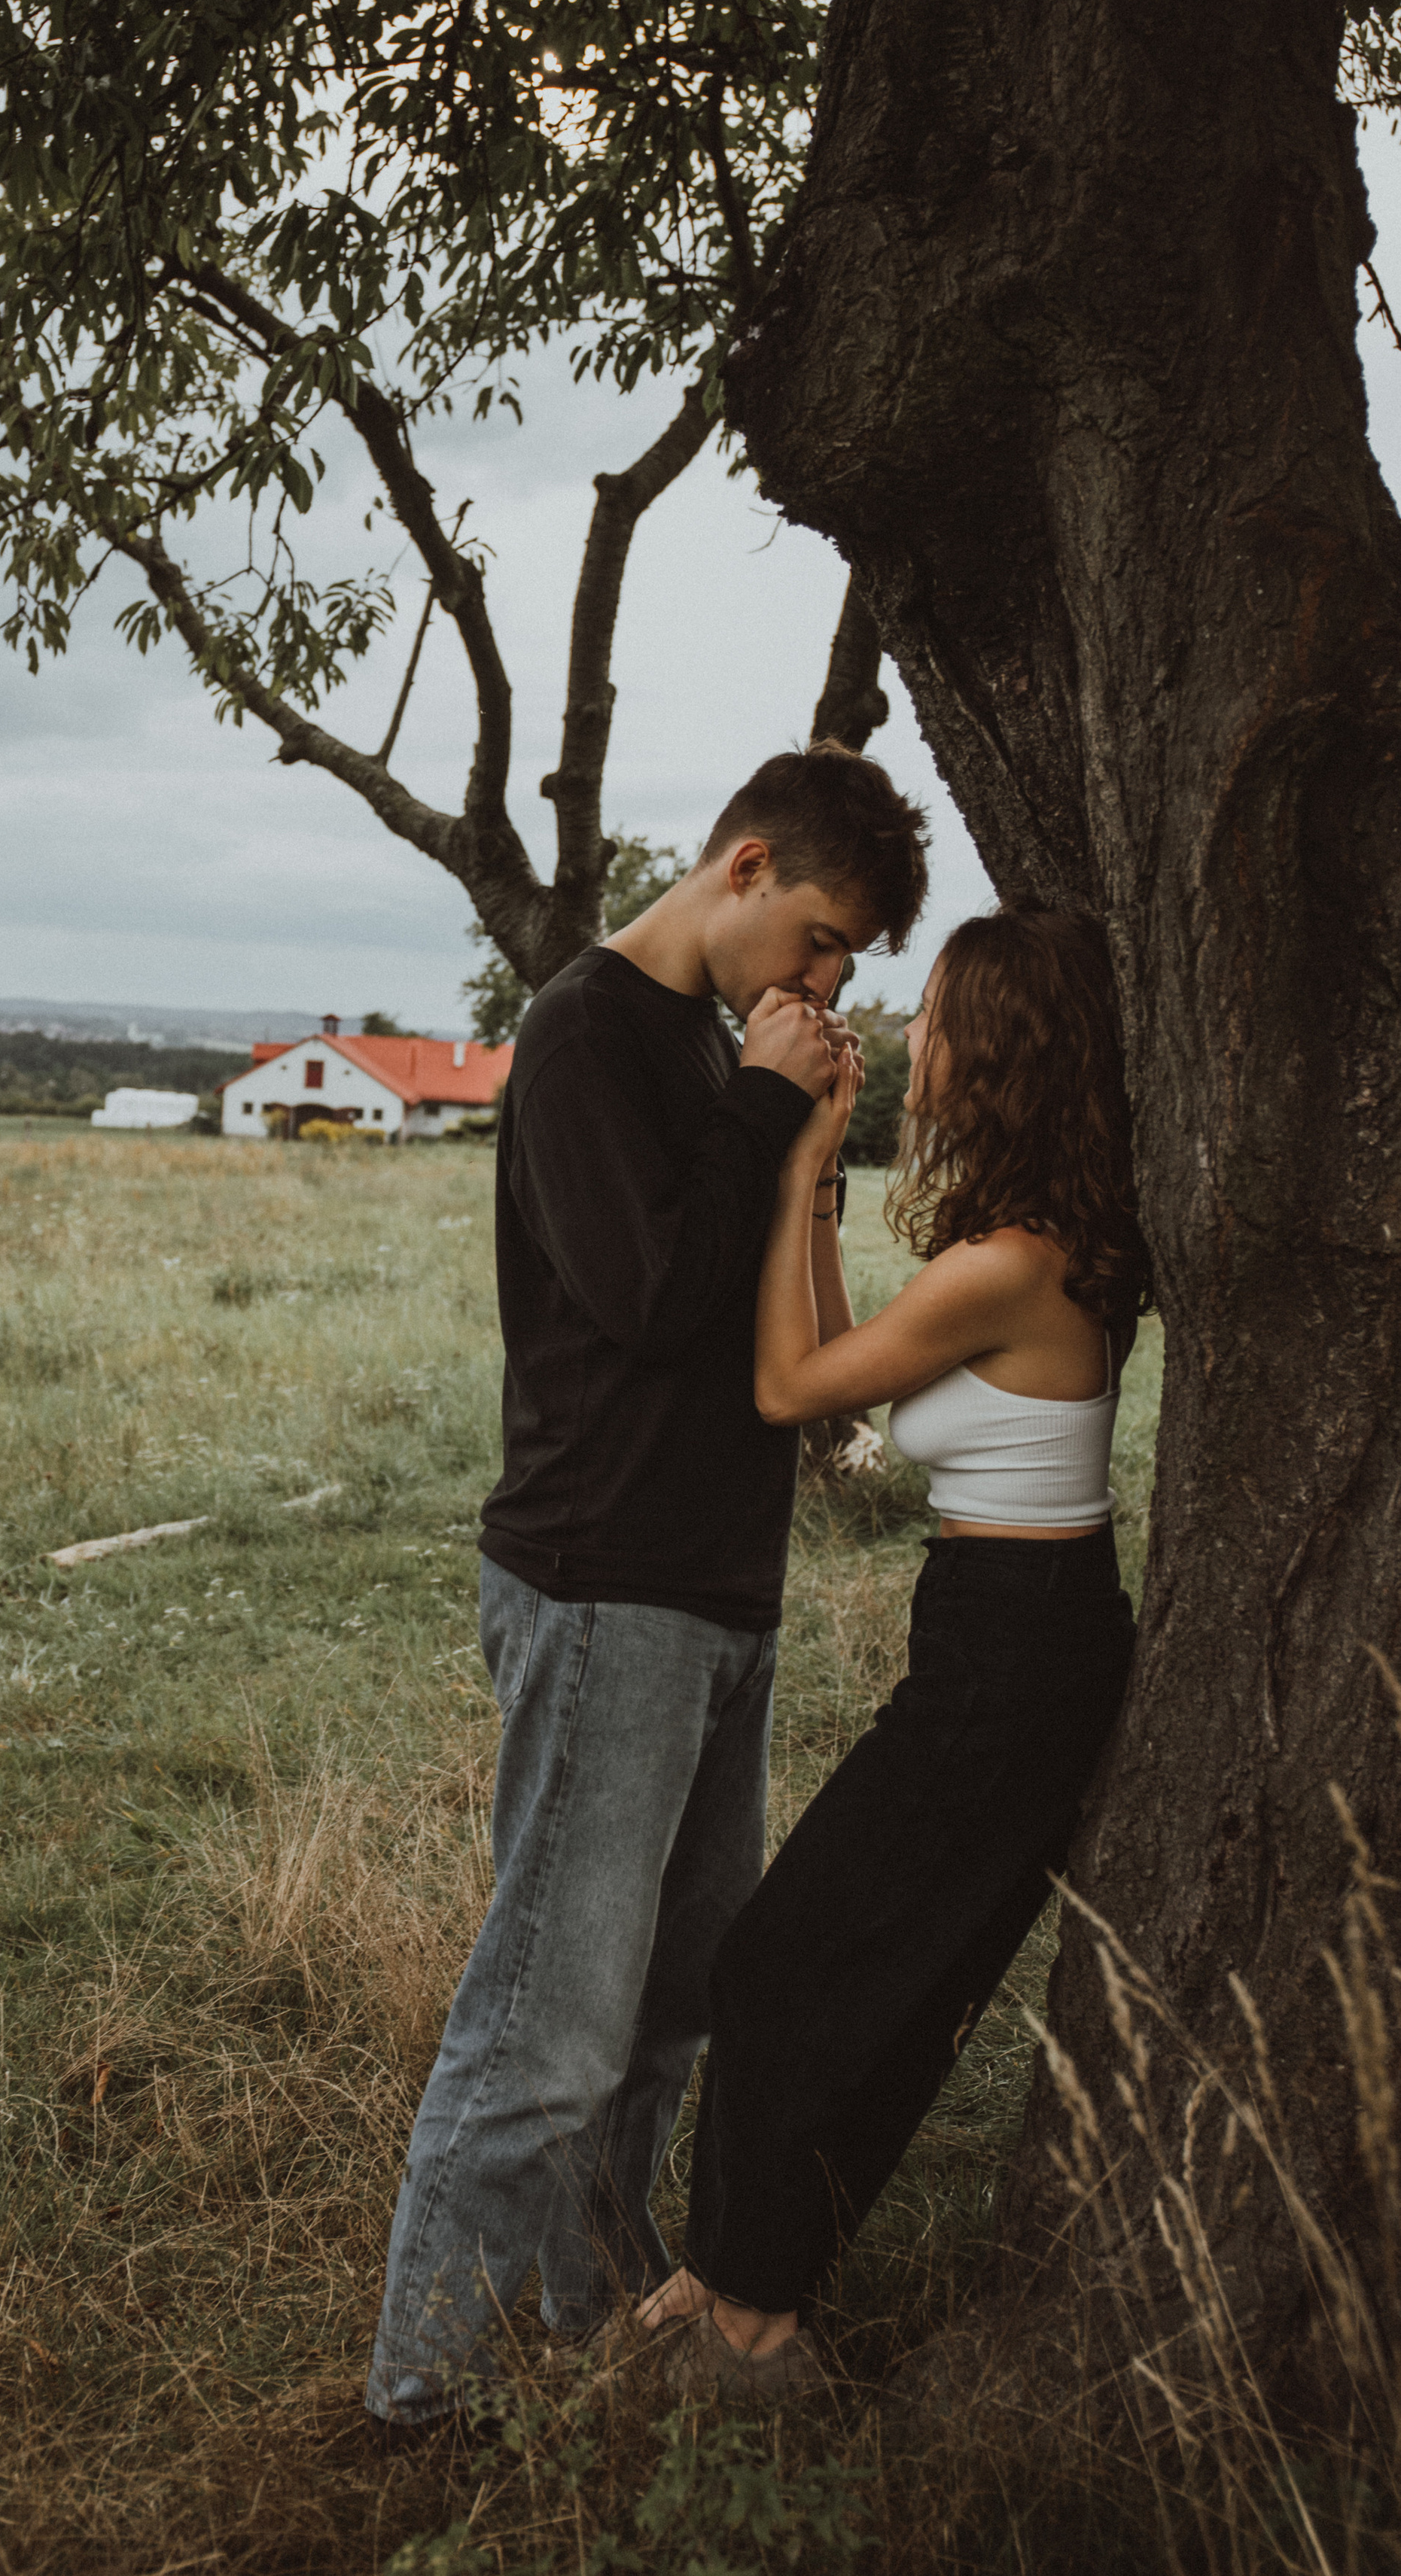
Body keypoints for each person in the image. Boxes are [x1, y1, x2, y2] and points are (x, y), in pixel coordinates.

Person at [364, 743, 931, 2440]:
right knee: (545, 2024)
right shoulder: (585, 1035)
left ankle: (582, 2305)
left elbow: (766, 1325)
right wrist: (765, 1100)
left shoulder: (707, 1043)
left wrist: (804, 1130)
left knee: (672, 2000)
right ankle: (423, 2404)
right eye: (823, 939)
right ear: (743, 867)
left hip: (713, 1593)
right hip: (603, 1579)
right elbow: (650, 1303)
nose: (826, 983)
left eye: (849, 968)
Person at [621, 905, 1150, 2405]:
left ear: (986, 1050)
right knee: (877, 1975)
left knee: (784, 1962)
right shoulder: (1009, 1255)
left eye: (927, 1017)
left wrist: (792, 1153)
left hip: (1011, 1654)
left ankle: (753, 2312)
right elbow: (850, 1385)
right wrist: (811, 1190)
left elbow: (786, 1386)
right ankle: (743, 2278)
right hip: (1002, 1641)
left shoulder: (1010, 1265)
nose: (907, 1035)